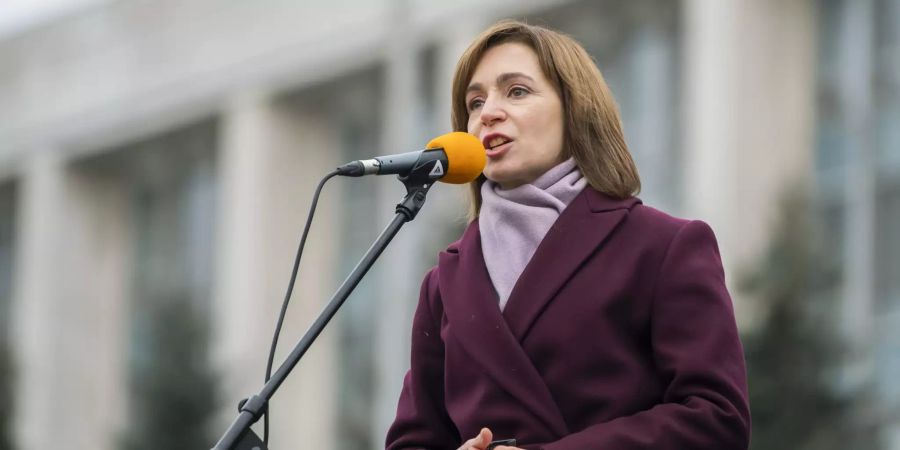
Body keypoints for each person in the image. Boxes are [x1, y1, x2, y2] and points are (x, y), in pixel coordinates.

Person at [385, 20, 750, 450]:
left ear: (575, 108)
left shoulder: (662, 246)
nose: (488, 113)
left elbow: (715, 418)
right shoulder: (445, 282)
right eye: (475, 101)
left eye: (516, 91)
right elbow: (414, 439)